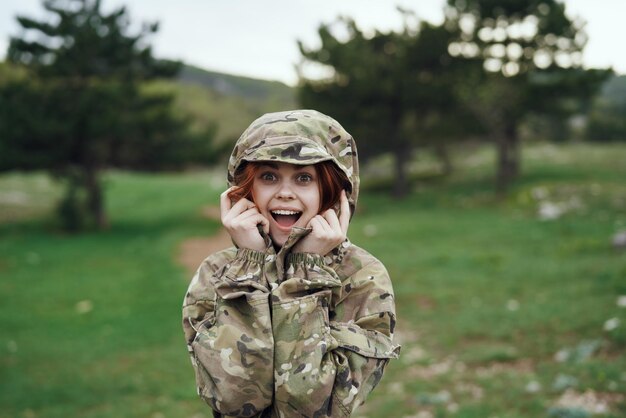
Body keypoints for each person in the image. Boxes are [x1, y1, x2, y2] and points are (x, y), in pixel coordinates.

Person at [182, 109, 400, 417]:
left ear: (333, 193)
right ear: (246, 190)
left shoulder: (362, 276)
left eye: (304, 178)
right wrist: (250, 268)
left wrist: (306, 274)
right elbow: (233, 400)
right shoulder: (217, 274)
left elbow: (313, 409)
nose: (285, 193)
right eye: (269, 177)